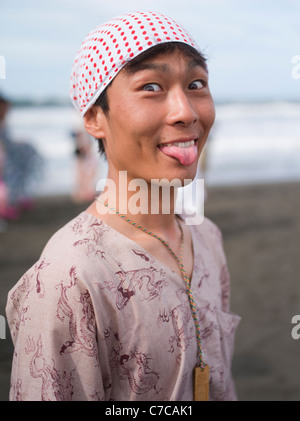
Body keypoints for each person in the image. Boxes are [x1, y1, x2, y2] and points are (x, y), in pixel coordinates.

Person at [6, 11, 240, 401]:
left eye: (196, 84)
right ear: (96, 118)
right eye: (151, 87)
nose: (186, 111)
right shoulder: (69, 278)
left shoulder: (207, 237)